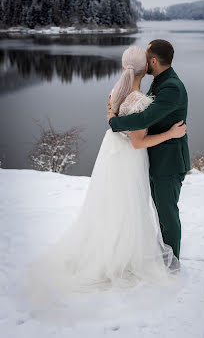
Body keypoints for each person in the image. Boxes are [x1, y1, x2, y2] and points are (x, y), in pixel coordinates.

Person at [14, 45, 187, 325]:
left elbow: (123, 124)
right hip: (130, 159)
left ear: (124, 67)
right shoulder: (140, 100)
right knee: (131, 208)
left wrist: (112, 120)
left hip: (112, 158)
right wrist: (169, 133)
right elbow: (138, 140)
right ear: (146, 67)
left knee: (113, 206)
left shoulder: (115, 93)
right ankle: (131, 258)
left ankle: (112, 249)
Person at [107, 39, 191, 261]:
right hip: (156, 157)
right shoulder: (161, 81)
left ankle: (172, 264)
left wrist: (114, 123)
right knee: (160, 212)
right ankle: (163, 255)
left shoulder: (171, 86)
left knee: (167, 214)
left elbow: (146, 117)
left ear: (153, 61)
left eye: (147, 57)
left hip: (169, 162)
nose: (144, 62)